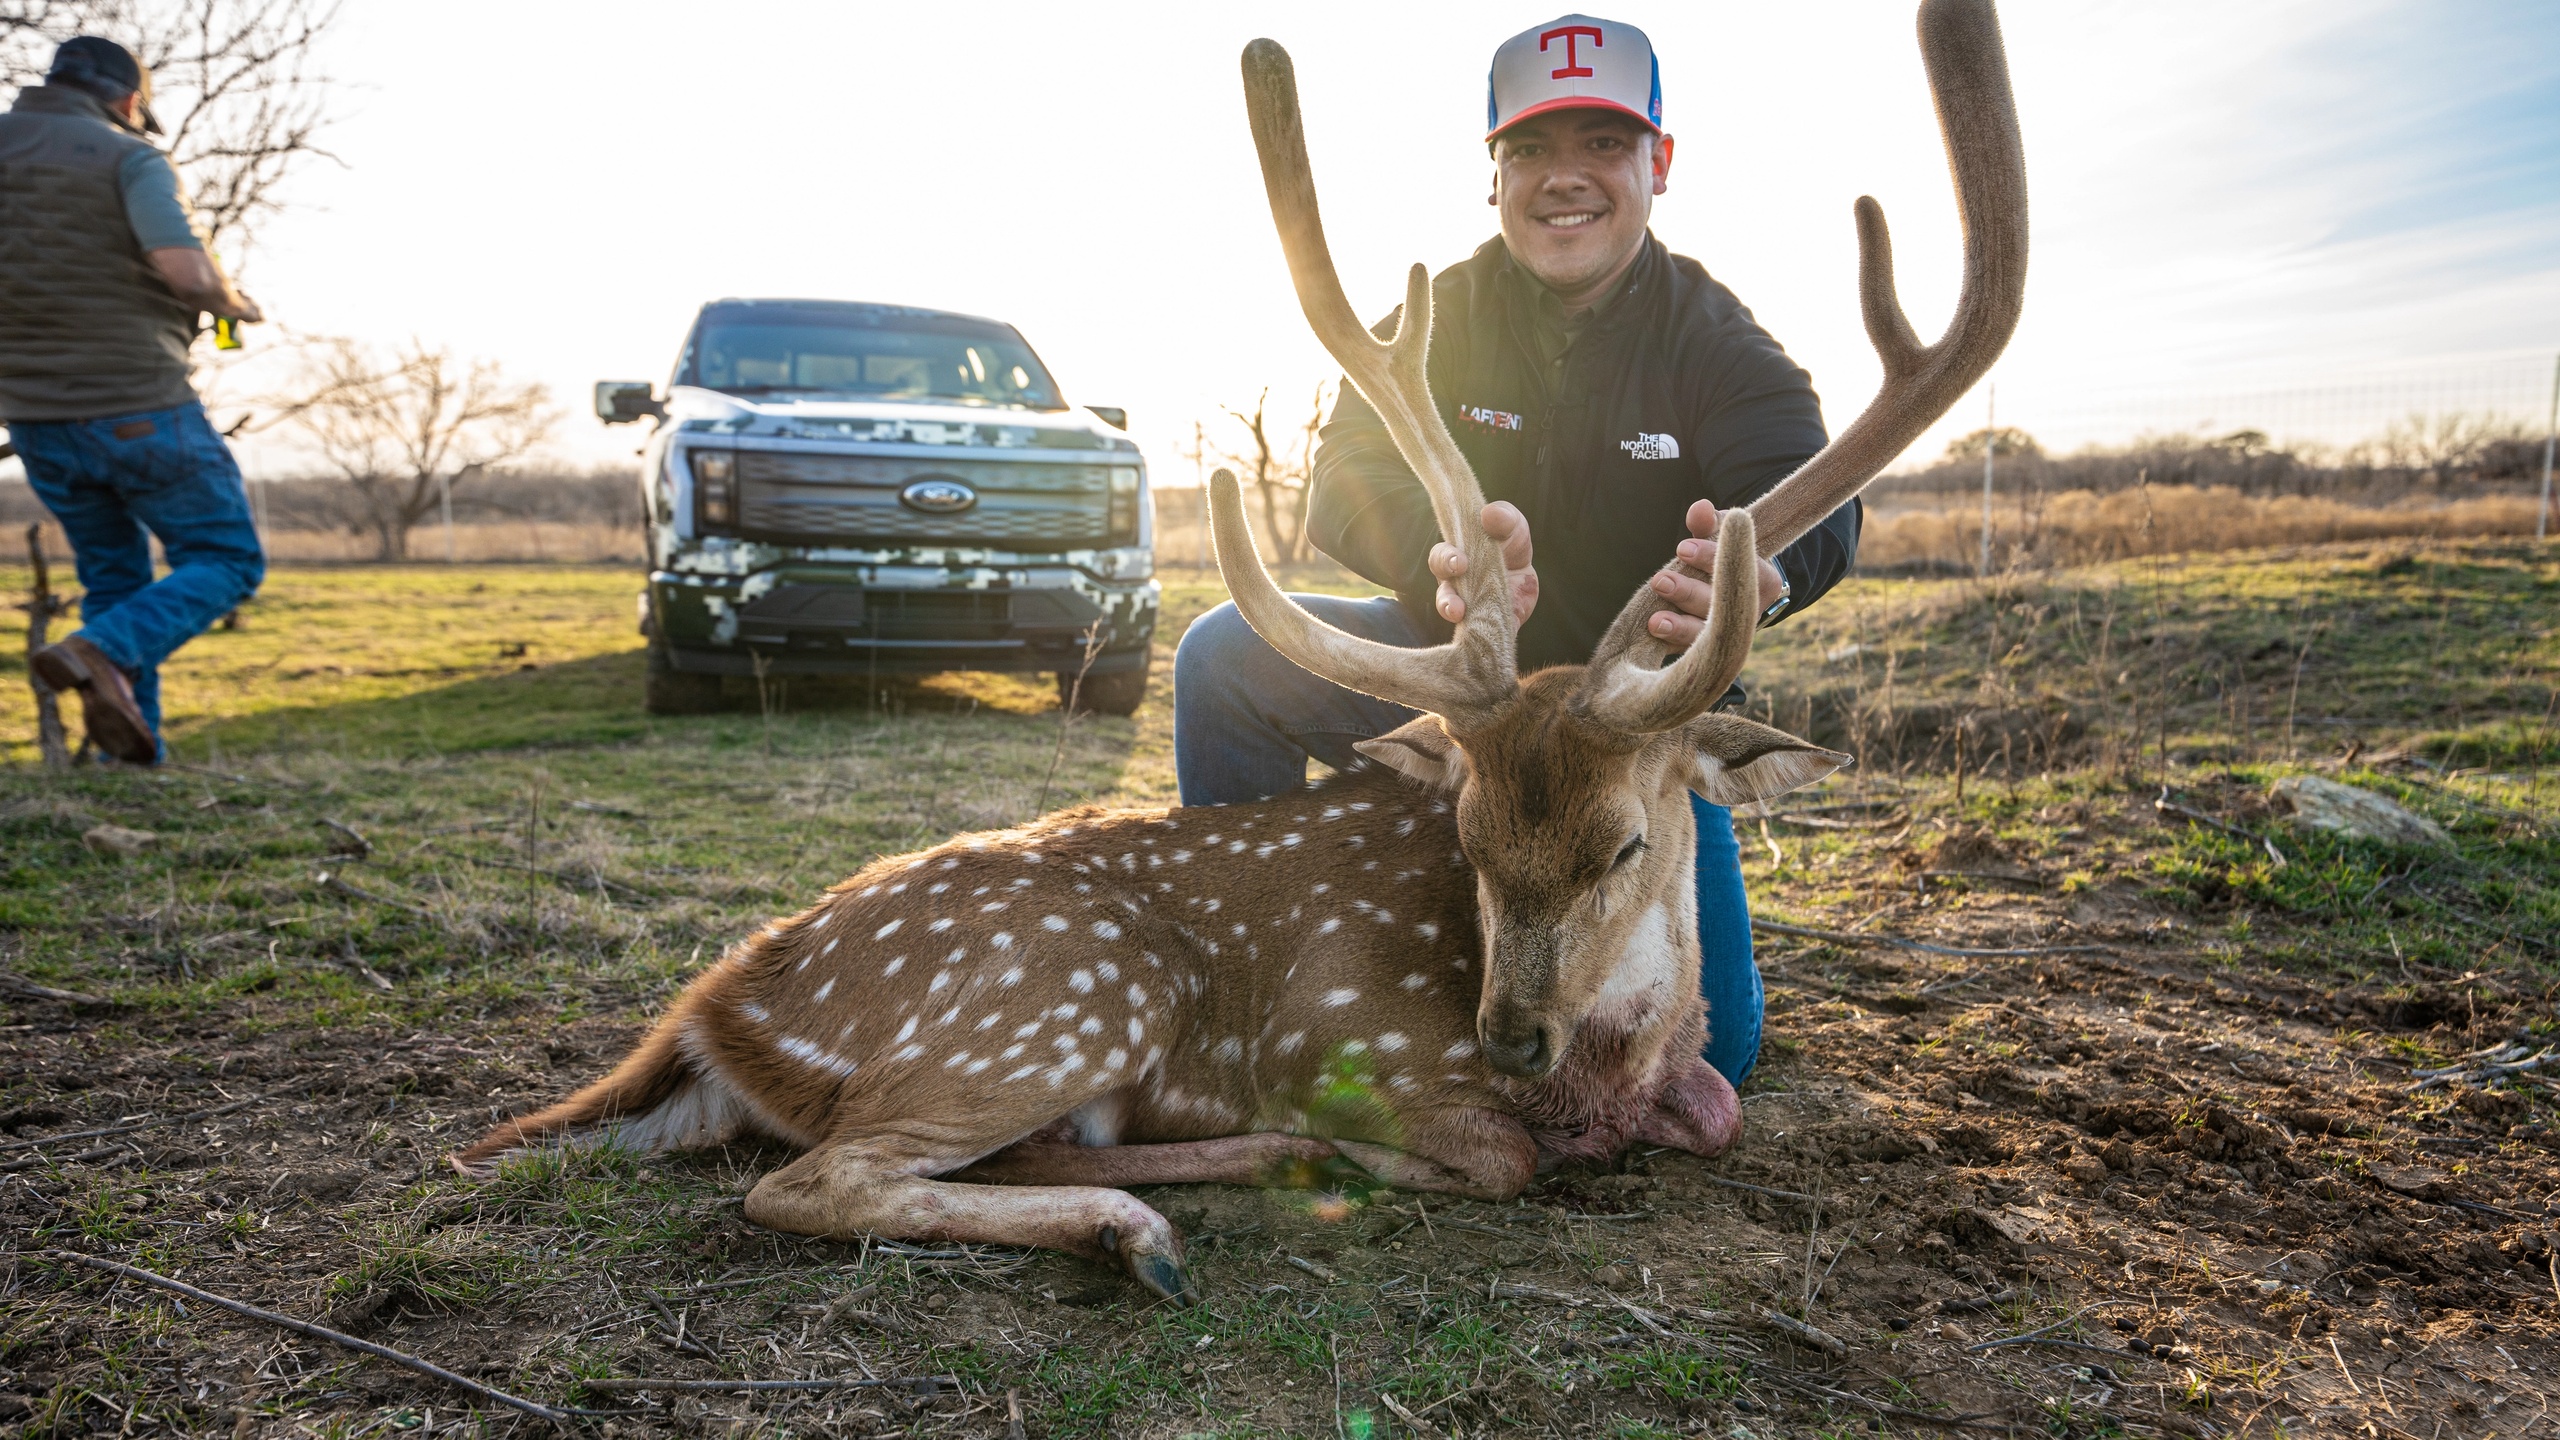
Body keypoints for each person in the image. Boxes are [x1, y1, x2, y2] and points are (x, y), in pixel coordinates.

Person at [1174, 14, 1861, 1087]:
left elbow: (1816, 503)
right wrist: (1434, 557)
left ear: (1658, 164)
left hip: (1623, 742)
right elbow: (1341, 476)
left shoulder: (1719, 344)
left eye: (1601, 143)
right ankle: (1222, 967)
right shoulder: (1438, 316)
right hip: (1473, 699)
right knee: (1222, 660)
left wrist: (1761, 574)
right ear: (1491, 177)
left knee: (1711, 1051)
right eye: (1529, 150)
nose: (1563, 179)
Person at [1, 35, 267, 765]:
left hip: (36, 419)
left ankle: (133, 760)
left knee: (114, 577)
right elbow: (186, 271)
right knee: (228, 559)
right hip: (137, 404)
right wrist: (232, 303)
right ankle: (102, 649)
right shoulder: (127, 155)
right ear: (128, 101)